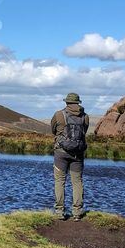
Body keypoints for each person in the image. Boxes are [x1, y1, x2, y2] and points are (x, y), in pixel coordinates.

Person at [50, 92, 90, 220]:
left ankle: (59, 212)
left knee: (59, 181)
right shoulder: (85, 116)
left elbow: (53, 130)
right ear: (78, 103)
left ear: (66, 102)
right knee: (77, 182)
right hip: (78, 154)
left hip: (61, 153)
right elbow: (84, 132)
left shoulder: (58, 115)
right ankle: (77, 212)